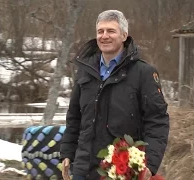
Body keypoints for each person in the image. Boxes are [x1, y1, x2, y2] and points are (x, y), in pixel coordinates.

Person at [60, 10, 170, 180]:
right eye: (100, 31)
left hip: (122, 169)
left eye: (111, 31)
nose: (104, 36)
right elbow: (74, 117)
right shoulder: (85, 71)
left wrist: (150, 164)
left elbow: (157, 121)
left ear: (124, 35)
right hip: (83, 168)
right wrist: (67, 153)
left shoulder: (143, 73)